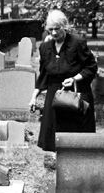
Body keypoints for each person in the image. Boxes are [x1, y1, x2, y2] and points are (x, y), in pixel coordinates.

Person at [29, 9, 98, 152]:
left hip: (76, 93)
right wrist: (33, 97)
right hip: (55, 96)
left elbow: (91, 67)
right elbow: (43, 75)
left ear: (64, 26)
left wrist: (74, 79)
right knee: (55, 137)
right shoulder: (45, 48)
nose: (54, 33)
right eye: (50, 30)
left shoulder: (77, 43)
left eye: (57, 29)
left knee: (77, 138)